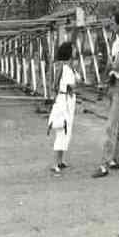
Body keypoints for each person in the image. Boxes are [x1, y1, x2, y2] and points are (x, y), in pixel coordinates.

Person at [93, 12, 119, 178]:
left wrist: (111, 65)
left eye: (112, 22)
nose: (110, 25)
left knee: (110, 125)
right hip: (115, 83)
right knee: (117, 123)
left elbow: (117, 64)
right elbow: (112, 63)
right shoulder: (117, 40)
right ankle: (116, 159)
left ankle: (104, 164)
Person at [47, 41, 78, 175]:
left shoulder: (69, 67)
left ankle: (60, 160)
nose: (75, 51)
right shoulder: (63, 67)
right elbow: (68, 85)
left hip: (68, 100)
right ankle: (55, 163)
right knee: (62, 129)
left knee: (66, 131)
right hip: (64, 100)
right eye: (73, 49)